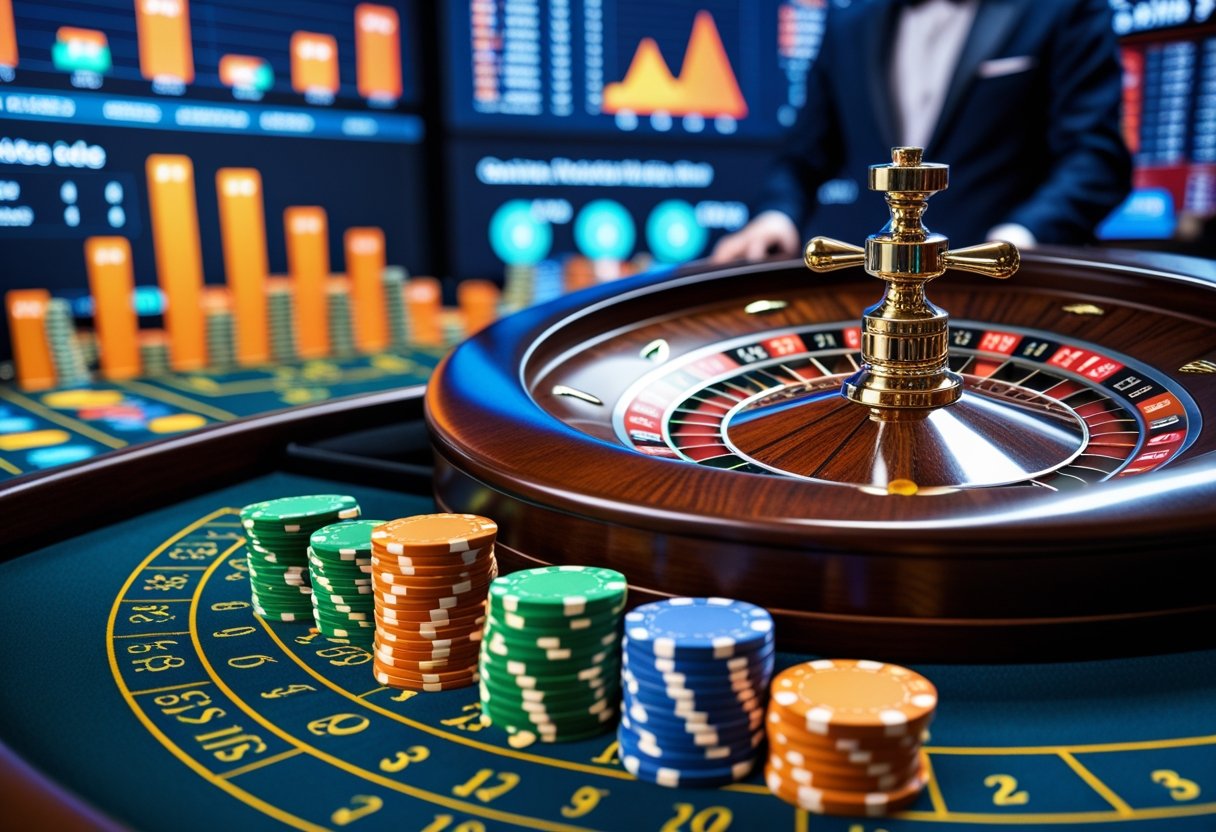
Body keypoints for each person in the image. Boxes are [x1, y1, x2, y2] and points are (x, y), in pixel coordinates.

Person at [711, 0, 1131, 263]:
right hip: (872, 289)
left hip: (1009, 289)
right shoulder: (849, 23)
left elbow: (1095, 158)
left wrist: (1018, 239)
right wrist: (776, 216)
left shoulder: (1066, 8)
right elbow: (803, 156)